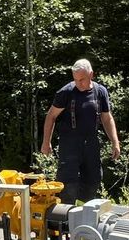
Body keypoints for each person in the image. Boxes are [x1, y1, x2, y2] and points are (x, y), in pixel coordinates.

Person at [40, 59, 121, 205]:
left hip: (91, 143)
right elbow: (51, 116)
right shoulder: (65, 92)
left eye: (82, 79)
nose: (79, 83)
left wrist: (115, 142)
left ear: (91, 74)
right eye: (75, 80)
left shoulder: (100, 92)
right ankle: (65, 222)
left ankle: (85, 218)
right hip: (69, 144)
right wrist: (46, 142)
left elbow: (106, 118)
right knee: (68, 186)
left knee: (93, 182)